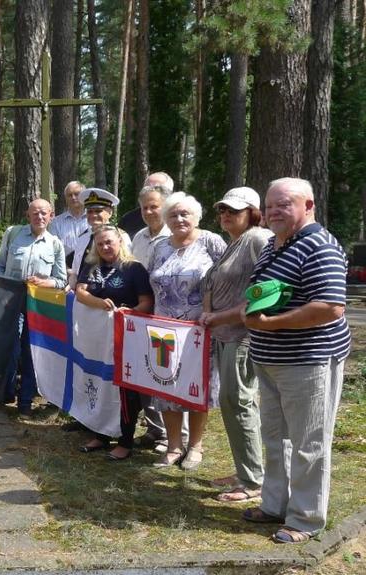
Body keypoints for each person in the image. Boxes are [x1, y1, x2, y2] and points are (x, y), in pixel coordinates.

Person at [240, 178, 349, 544]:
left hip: (308, 361)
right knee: (275, 437)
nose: (273, 211)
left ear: (309, 205)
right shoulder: (273, 245)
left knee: (308, 443)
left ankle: (304, 520)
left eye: (284, 204)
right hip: (270, 360)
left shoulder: (320, 246)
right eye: (270, 205)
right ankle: (274, 505)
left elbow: (330, 307)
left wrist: (272, 324)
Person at [198, 187, 272, 503]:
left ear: (253, 212)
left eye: (234, 210)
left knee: (238, 402)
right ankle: (246, 470)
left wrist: (223, 316)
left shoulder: (257, 239)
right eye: (222, 210)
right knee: (233, 403)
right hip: (225, 334)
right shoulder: (234, 243)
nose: (226, 215)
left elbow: (265, 291)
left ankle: (253, 480)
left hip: (243, 335)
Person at [148, 192, 226, 470]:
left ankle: (195, 446)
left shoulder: (211, 242)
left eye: (185, 214)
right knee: (167, 386)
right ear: (165, 218)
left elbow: (225, 281)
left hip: (199, 331)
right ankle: (173, 446)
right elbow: (151, 282)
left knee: (196, 387)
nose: (179, 219)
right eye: (173, 214)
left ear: (196, 216)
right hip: (164, 331)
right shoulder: (159, 247)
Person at [75, 225, 154, 460]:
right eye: (100, 244)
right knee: (99, 383)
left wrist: (128, 314)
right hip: (97, 340)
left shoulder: (134, 269)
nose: (105, 247)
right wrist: (100, 304)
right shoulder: (91, 266)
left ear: (120, 241)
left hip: (126, 339)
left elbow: (147, 302)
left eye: (109, 242)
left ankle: (125, 440)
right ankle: (100, 434)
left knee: (124, 389)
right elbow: (80, 292)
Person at [0, 198, 66, 416]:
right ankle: (5, 395)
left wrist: (45, 283)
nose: (39, 217)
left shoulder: (55, 244)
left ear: (51, 216)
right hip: (12, 302)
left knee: (31, 352)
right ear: (28, 215)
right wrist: (5, 288)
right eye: (35, 213)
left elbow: (61, 280)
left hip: (38, 305)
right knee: (11, 349)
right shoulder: (13, 234)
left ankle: (25, 402)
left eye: (44, 213)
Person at [129, 185, 172, 452]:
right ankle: (154, 429)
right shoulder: (139, 238)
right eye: (144, 207)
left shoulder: (175, 235)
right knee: (145, 373)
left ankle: (173, 436)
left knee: (167, 375)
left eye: (154, 206)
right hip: (142, 312)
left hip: (168, 315)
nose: (148, 211)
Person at [69, 188, 131, 289]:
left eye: (98, 211)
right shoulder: (83, 238)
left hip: (110, 295)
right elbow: (75, 272)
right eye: (89, 211)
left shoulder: (121, 237)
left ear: (110, 212)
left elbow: (127, 269)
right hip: (81, 297)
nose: (93, 215)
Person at [120, 172, 174, 237]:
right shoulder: (128, 221)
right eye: (147, 189)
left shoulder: (179, 226)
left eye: (158, 189)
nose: (151, 192)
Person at [48, 180, 89, 263]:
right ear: (66, 199)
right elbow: (53, 249)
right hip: (64, 268)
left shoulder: (94, 219)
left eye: (76, 194)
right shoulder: (56, 223)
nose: (73, 197)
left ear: (84, 196)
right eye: (70, 195)